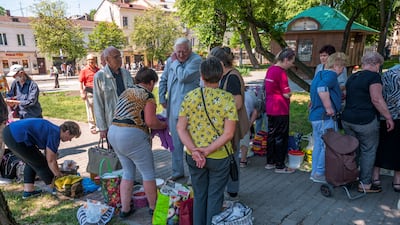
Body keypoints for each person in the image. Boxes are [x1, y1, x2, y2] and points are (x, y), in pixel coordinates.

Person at [177, 57, 237, 225]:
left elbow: (180, 128)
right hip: (219, 157)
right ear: (221, 75)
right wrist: (208, 150)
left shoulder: (189, 97)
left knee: (199, 194)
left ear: (201, 75)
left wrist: (195, 150)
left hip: (194, 156)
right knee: (215, 196)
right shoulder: (228, 99)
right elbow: (228, 134)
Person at [108, 67, 167, 218]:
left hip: (113, 132)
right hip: (131, 136)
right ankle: (154, 208)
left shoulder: (127, 91)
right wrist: (163, 125)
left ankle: (125, 209)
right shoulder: (147, 95)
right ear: (151, 82)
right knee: (148, 173)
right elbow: (151, 121)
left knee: (128, 172)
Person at [341, 52, 394, 193]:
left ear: (364, 63)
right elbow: (376, 99)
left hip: (347, 119)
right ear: (377, 64)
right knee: (368, 151)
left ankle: (349, 178)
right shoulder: (374, 77)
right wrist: (388, 117)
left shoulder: (353, 76)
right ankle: (365, 184)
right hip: (365, 121)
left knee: (353, 150)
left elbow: (345, 95)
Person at [2, 118, 81, 199]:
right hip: (16, 136)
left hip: (9, 132)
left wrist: (54, 165)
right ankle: (57, 191)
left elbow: (50, 156)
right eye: (71, 137)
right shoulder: (55, 134)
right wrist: (59, 176)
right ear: (67, 132)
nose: (70, 140)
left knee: (32, 161)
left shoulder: (53, 129)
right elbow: (50, 161)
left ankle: (28, 191)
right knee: (41, 164)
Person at [208, 46, 249, 199]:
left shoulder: (232, 76)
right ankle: (230, 189)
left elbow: (237, 103)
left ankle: (232, 190)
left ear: (220, 62)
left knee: (231, 158)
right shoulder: (225, 75)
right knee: (230, 157)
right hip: (227, 123)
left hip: (233, 124)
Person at [158, 37, 202, 181]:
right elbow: (163, 79)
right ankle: (177, 171)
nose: (181, 55)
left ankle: (194, 174)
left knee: (191, 143)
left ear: (190, 50)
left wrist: (175, 62)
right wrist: (162, 98)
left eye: (184, 52)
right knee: (175, 144)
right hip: (173, 107)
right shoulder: (172, 60)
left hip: (190, 110)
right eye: (178, 52)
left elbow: (183, 76)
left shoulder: (196, 60)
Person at [309, 52, 348, 183]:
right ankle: (319, 173)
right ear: (337, 65)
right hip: (323, 117)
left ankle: (315, 172)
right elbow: (321, 89)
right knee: (328, 145)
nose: (343, 70)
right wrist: (329, 107)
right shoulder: (331, 76)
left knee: (319, 145)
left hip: (316, 116)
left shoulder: (320, 74)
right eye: (342, 67)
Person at [264, 48, 296, 173]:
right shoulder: (281, 73)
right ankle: (280, 165)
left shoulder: (270, 69)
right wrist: (290, 94)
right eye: (292, 62)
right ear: (286, 60)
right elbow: (287, 93)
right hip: (281, 108)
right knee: (281, 137)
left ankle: (270, 162)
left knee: (271, 135)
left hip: (271, 107)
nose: (292, 65)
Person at [93, 46, 134, 139]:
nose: (120, 59)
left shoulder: (126, 73)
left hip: (128, 119)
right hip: (112, 121)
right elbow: (98, 103)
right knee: (113, 151)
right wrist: (102, 128)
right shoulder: (100, 76)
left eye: (120, 56)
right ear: (107, 59)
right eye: (116, 57)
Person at [372, 64, 400, 192]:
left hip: (384, 114)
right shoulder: (392, 74)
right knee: (387, 146)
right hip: (391, 115)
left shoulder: (388, 72)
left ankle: (376, 176)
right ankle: (397, 179)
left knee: (381, 145)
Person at [79, 54, 100, 134]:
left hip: (98, 92)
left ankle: (99, 125)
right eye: (89, 60)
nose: (91, 62)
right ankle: (92, 126)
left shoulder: (98, 70)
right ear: (87, 61)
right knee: (90, 110)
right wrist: (82, 92)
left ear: (95, 61)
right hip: (89, 92)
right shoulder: (84, 70)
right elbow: (81, 82)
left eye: (92, 60)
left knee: (98, 110)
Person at [239, 87, 258, 168]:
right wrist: (249, 124)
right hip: (244, 119)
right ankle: (243, 161)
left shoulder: (226, 94)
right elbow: (255, 111)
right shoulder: (249, 95)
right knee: (244, 139)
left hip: (230, 119)